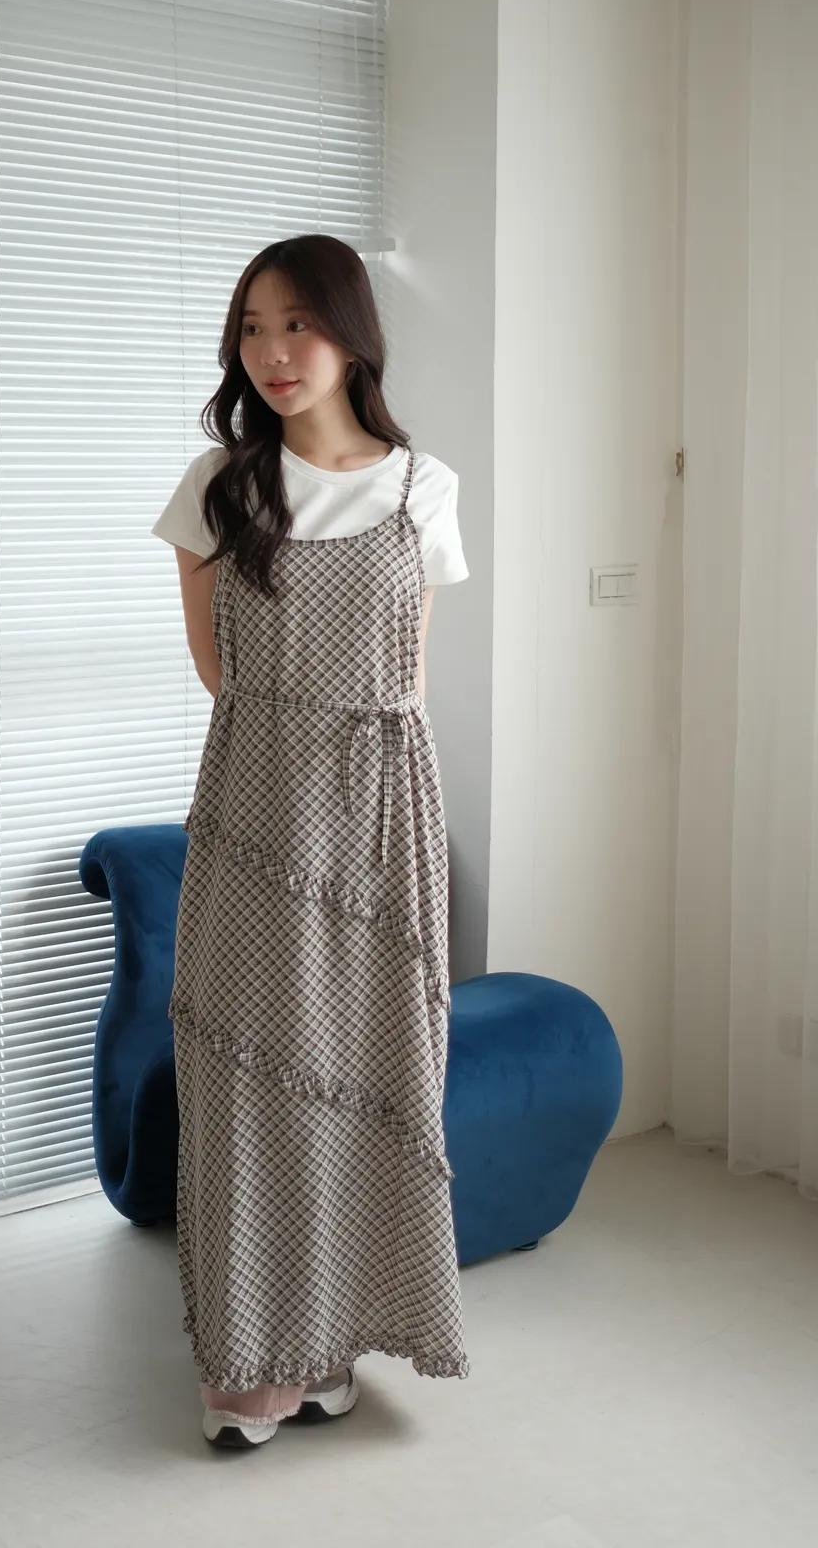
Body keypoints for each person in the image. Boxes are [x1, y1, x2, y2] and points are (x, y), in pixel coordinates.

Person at [150, 233, 471, 1450]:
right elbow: (216, 671)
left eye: (297, 324)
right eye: (252, 328)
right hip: (258, 806)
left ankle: (331, 1346)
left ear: (352, 335)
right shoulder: (220, 486)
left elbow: (409, 676)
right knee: (246, 1078)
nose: (273, 353)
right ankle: (252, 1357)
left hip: (386, 814)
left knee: (374, 1079)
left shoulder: (424, 487)